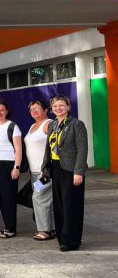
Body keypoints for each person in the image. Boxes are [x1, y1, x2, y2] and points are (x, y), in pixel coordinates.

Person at [42, 95, 88, 252]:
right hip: (55, 168)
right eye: (55, 106)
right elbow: (48, 149)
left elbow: (82, 150)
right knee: (59, 205)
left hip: (71, 169)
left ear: (68, 107)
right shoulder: (52, 125)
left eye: (61, 105)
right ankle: (62, 237)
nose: (58, 108)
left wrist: (79, 171)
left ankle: (71, 241)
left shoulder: (77, 124)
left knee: (71, 205)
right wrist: (44, 168)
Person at [0, 99, 23, 239]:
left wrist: (16, 167)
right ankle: (7, 225)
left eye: (2, 110)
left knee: (9, 196)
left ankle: (11, 228)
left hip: (8, 164)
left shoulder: (13, 126)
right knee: (0, 196)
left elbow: (18, 149)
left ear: (7, 111)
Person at [25, 100, 55, 241]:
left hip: (45, 172)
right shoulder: (32, 126)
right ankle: (52, 228)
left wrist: (47, 167)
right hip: (34, 172)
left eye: (37, 108)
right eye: (31, 109)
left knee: (38, 198)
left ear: (45, 110)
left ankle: (45, 230)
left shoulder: (48, 124)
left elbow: (54, 147)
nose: (34, 111)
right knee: (46, 200)